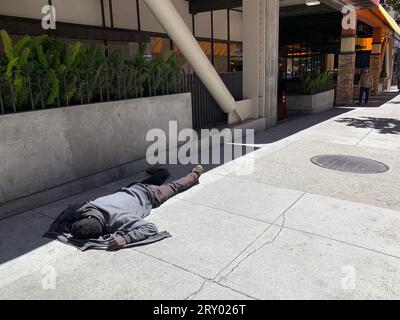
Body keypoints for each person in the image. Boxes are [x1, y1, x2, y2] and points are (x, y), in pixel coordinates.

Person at [46, 165, 204, 251]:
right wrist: (66, 221)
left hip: (150, 195)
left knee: (175, 186)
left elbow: (150, 228)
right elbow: (68, 211)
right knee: (158, 177)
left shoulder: (119, 220)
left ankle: (194, 174)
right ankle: (162, 171)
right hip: (132, 188)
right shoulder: (85, 208)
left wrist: (125, 238)